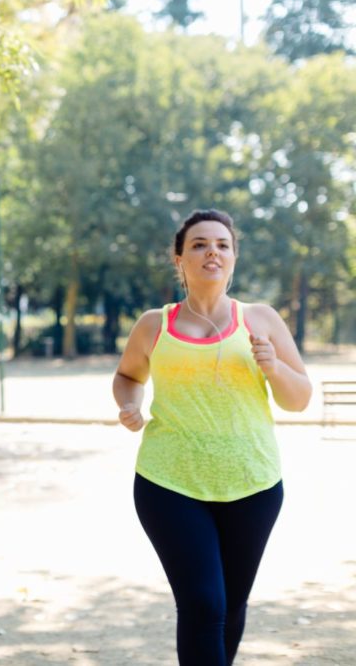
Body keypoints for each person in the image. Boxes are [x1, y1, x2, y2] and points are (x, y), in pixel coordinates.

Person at [112, 209, 312, 665]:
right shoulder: (154, 324)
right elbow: (126, 376)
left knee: (231, 605)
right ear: (179, 259)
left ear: (234, 257)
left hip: (253, 484)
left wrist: (273, 367)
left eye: (222, 244)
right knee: (204, 604)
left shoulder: (261, 320)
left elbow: (299, 399)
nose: (212, 252)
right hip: (169, 484)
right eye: (200, 244)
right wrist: (129, 404)